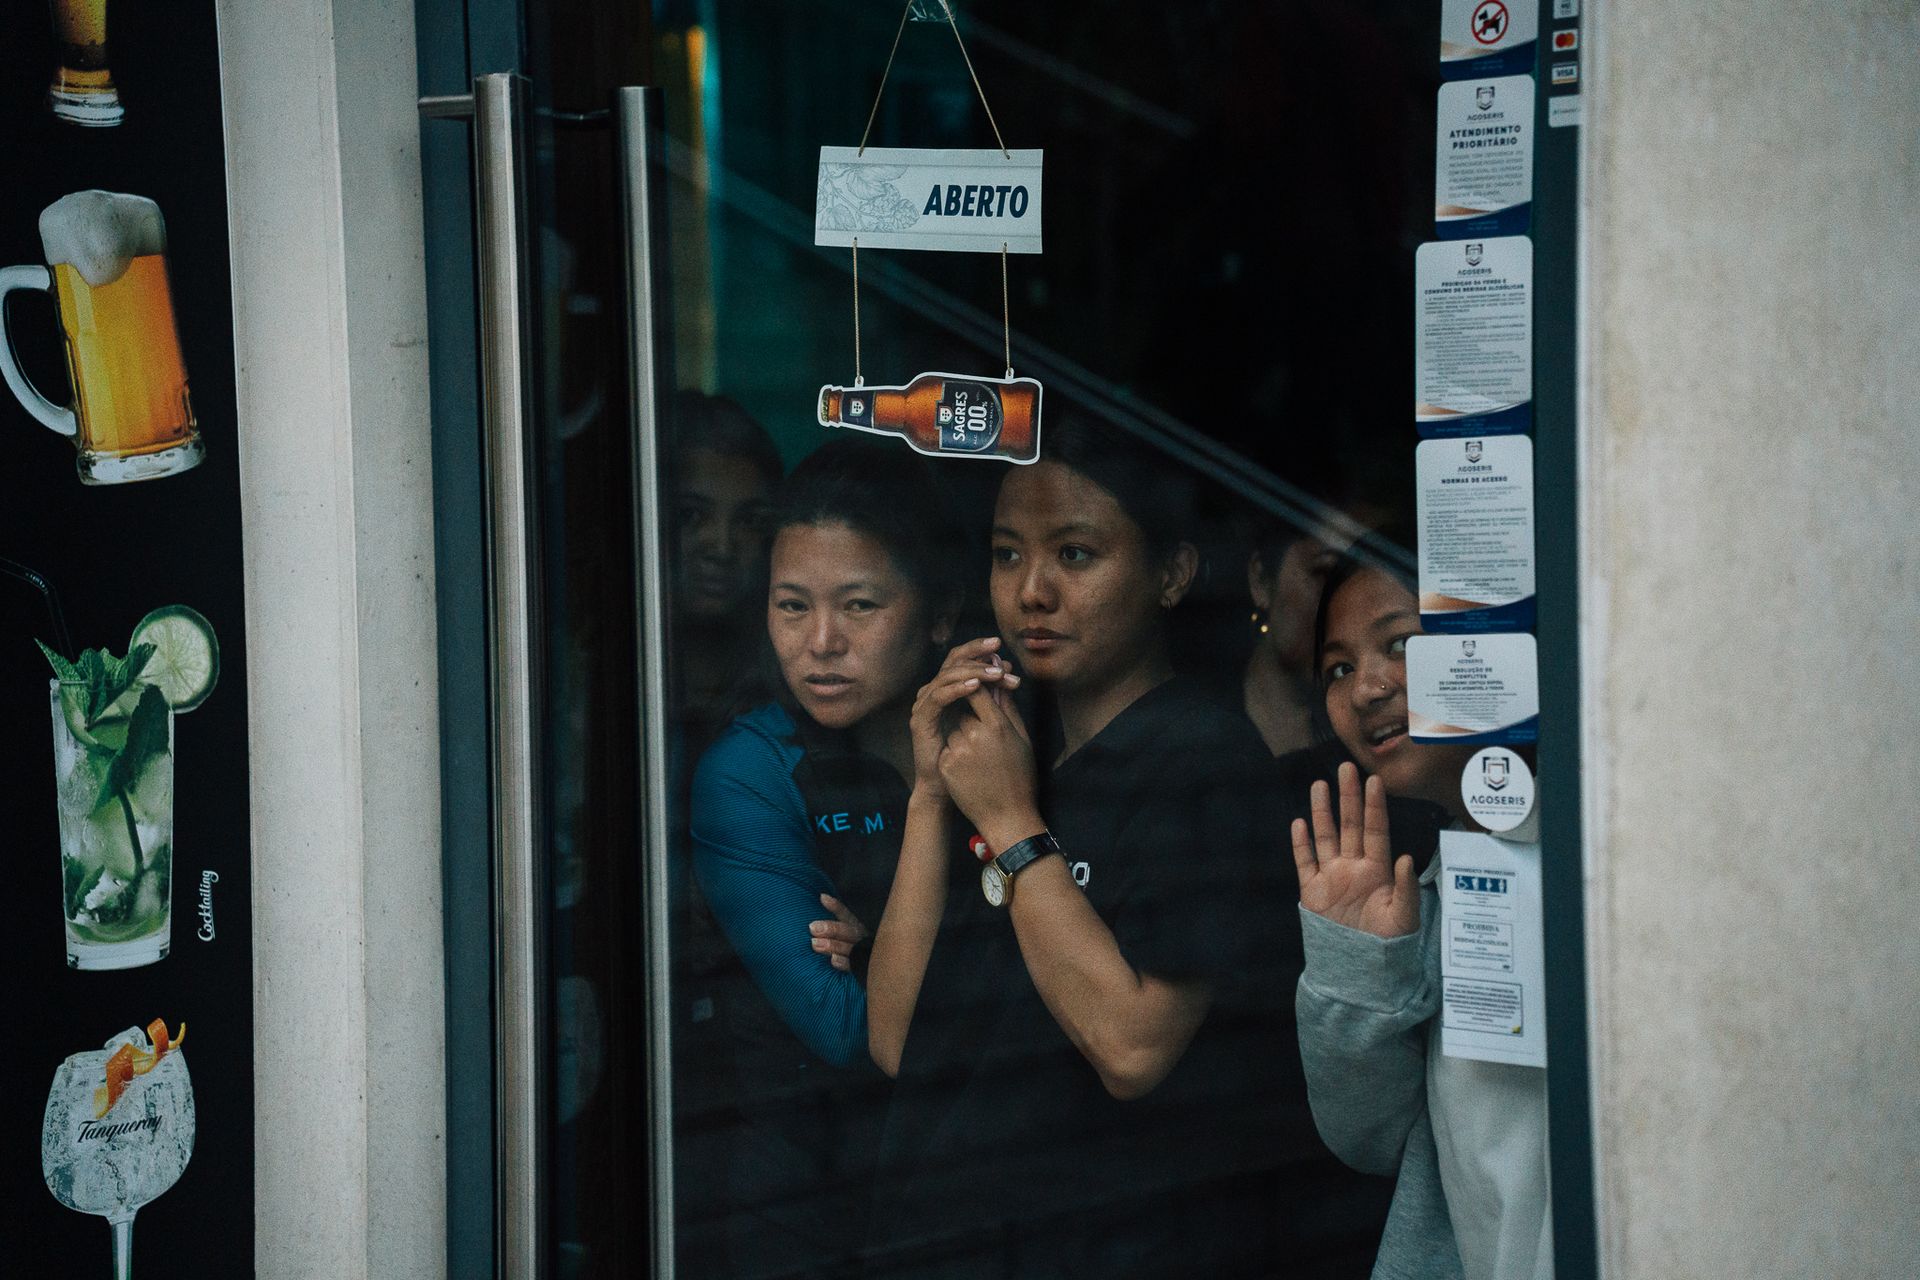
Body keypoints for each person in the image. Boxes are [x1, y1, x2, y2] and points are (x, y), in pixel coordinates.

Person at [862, 417, 1297, 1277]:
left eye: (1075, 555)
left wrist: (1015, 826)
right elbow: (894, 1036)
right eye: (1007, 553)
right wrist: (929, 793)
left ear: (1170, 574)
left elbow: (1135, 1050)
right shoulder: (1007, 755)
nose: (1031, 593)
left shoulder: (1204, 759)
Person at [689, 440, 964, 1279]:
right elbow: (851, 1029)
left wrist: (878, 942)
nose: (821, 643)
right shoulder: (748, 773)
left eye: (859, 605)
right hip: (802, 1210)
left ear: (941, 616)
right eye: (792, 606)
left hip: (965, 1188)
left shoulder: (992, 748)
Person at [1289, 557, 1552, 1280]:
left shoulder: (1591, 857)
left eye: (1398, 643)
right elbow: (1368, 1139)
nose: (1368, 688)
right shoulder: (1433, 889)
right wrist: (1354, 966)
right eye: (1338, 669)